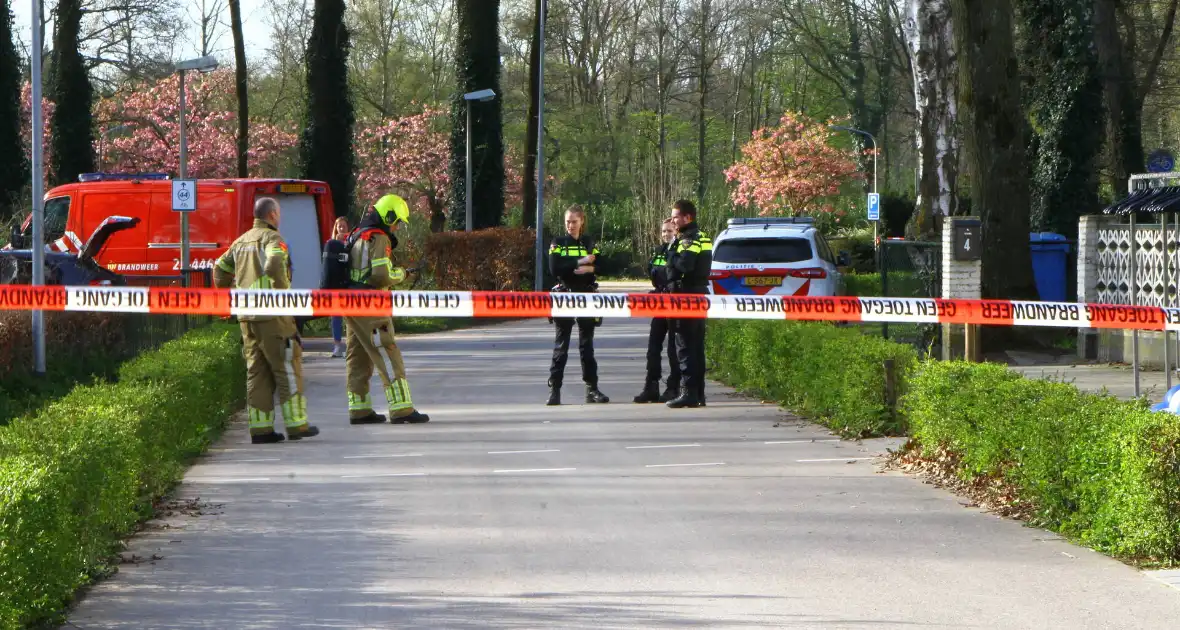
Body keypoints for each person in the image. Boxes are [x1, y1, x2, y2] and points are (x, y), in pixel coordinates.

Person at [214, 197, 321, 444]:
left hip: (246, 316)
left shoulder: (240, 242)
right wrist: (281, 292)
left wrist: (224, 292)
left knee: (256, 371)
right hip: (272, 315)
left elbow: (219, 269)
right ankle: (297, 425)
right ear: (272, 215)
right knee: (287, 366)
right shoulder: (273, 239)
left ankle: (260, 429)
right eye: (279, 213)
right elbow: (274, 264)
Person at [343, 194, 430, 425]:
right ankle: (401, 408)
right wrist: (401, 274)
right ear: (388, 215)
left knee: (358, 355)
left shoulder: (357, 234)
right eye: (397, 221)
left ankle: (359, 409)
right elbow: (380, 275)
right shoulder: (379, 237)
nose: (397, 226)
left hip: (349, 302)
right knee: (386, 349)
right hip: (370, 303)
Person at [546, 205, 610, 406]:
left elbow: (606, 265)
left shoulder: (589, 242)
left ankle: (592, 389)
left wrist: (591, 267)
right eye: (567, 222)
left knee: (586, 346)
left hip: (587, 297)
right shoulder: (558, 242)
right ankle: (555, 390)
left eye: (574, 221)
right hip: (565, 297)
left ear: (582, 221)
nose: (570, 225)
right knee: (561, 346)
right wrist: (580, 261)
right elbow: (555, 268)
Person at [665, 199, 712, 409]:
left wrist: (672, 254)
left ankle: (688, 392)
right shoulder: (703, 237)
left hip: (686, 297)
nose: (673, 220)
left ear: (687, 217)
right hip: (699, 296)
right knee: (696, 346)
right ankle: (699, 393)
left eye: (676, 216)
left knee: (684, 346)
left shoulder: (688, 239)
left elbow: (683, 266)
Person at [634, 218, 681, 403]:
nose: (666, 235)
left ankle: (673, 388)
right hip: (660, 303)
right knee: (653, 347)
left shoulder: (678, 251)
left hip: (675, 304)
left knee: (672, 349)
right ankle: (651, 386)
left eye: (669, 231)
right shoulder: (659, 251)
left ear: (676, 232)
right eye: (663, 231)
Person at [329, 216, 350, 358]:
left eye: (343, 226)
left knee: (351, 316)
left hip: (348, 284)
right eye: (339, 226)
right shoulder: (330, 244)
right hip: (335, 285)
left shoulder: (352, 242)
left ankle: (352, 345)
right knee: (336, 316)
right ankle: (337, 346)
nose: (341, 229)